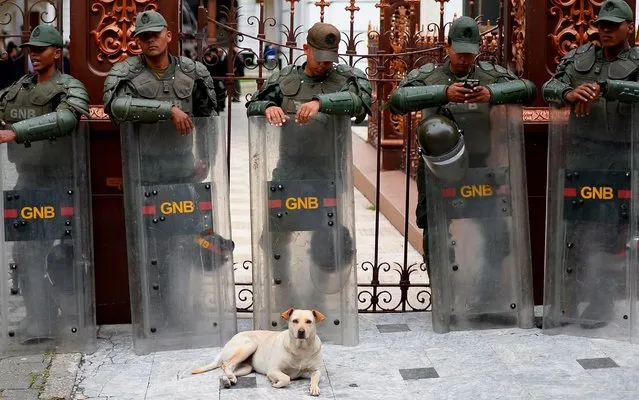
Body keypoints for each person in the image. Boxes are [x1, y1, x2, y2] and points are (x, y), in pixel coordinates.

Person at [386, 16, 536, 330]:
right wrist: (444, 93)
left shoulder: (490, 75)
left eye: (471, 52)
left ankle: (487, 295)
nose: (465, 58)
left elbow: (528, 90)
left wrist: (491, 95)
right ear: (447, 46)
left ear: (478, 50)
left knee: (497, 232)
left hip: (482, 168)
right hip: (438, 167)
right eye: (460, 51)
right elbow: (396, 101)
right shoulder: (430, 75)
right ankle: (444, 297)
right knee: (435, 231)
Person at [103, 10, 230, 336]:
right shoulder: (125, 73)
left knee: (182, 248)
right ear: (137, 41)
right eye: (143, 37)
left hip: (182, 175)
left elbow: (208, 118)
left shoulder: (193, 72)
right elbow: (116, 107)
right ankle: (152, 319)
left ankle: (181, 313)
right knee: (148, 250)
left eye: (155, 34)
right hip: (143, 177)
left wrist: (205, 159)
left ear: (169, 35)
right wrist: (166, 110)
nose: (150, 41)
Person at [245, 23, 371, 342]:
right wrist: (270, 107)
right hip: (288, 170)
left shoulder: (347, 78)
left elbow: (360, 104)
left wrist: (321, 103)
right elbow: (253, 106)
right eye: (320, 57)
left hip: (327, 171)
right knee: (274, 238)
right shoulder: (286, 77)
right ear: (306, 49)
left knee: (327, 239)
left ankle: (322, 303)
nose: (325, 64)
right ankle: (283, 299)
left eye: (331, 57)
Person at [542, 0, 639, 330]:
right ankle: (566, 300)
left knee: (612, 232)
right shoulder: (579, 57)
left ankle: (601, 301)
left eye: (614, 25)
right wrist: (569, 93)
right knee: (577, 229)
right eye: (603, 24)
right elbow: (549, 86)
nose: (607, 30)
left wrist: (610, 88)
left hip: (623, 157)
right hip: (582, 155)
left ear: (629, 27)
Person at [0, 24, 90, 343]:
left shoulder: (70, 87)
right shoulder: (18, 89)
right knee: (25, 255)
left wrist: (18, 131)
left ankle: (75, 314)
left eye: (40, 49)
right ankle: (39, 317)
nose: (34, 55)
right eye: (30, 50)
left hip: (62, 182)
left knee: (66, 252)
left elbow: (67, 119)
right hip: (27, 181)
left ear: (57, 52)